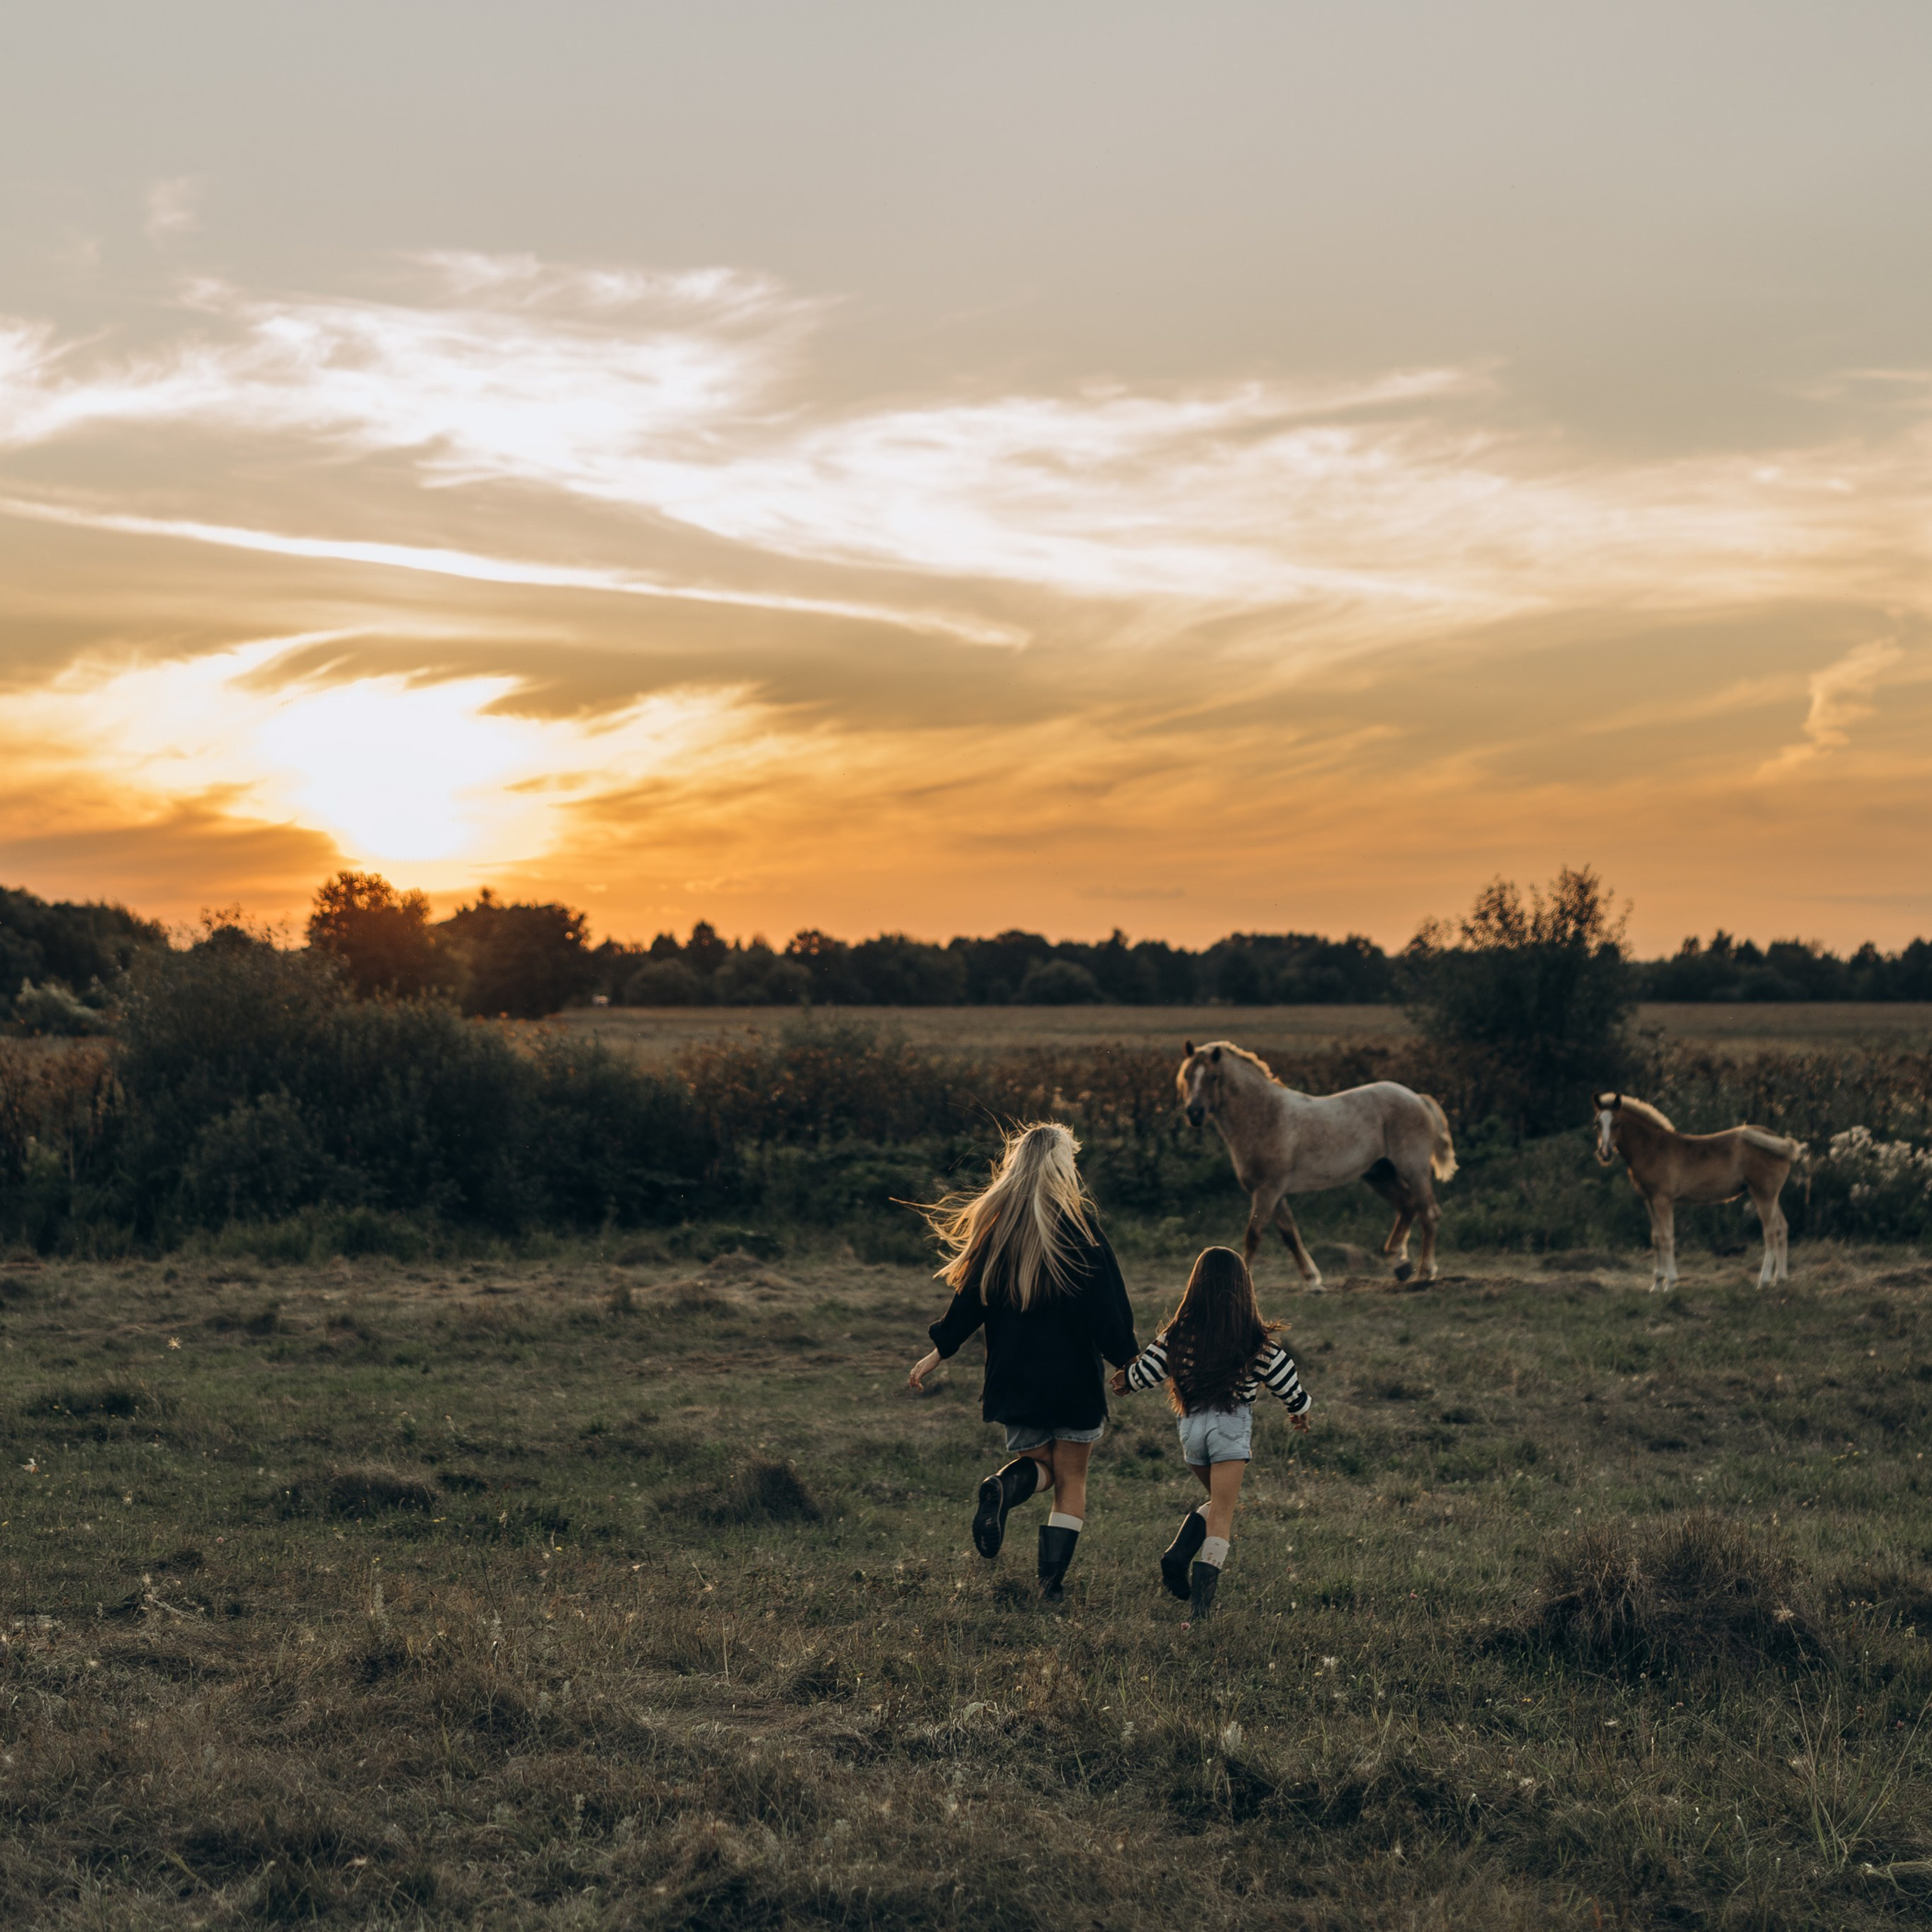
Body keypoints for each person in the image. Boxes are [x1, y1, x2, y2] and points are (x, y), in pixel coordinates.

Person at [907, 1121, 1138, 1601]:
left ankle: (1002, 1490)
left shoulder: (999, 1229)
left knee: (1038, 1464)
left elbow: (968, 1300)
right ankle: (1050, 1587)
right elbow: (1108, 1309)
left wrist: (939, 1351)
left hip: (1014, 1379)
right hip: (1073, 1379)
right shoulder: (1081, 1229)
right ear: (1063, 1167)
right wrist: (1128, 1361)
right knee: (1070, 1477)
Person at [1110, 1245, 1311, 1621]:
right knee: (1222, 1513)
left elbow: (1147, 1369)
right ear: (1243, 1287)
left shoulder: (1179, 1333)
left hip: (1191, 1429)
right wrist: (1300, 1408)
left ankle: (1177, 1555)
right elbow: (1284, 1376)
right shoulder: (1252, 1338)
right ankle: (1199, 1606)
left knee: (1219, 1502)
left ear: (1195, 1286)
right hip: (1230, 1425)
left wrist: (1126, 1380)